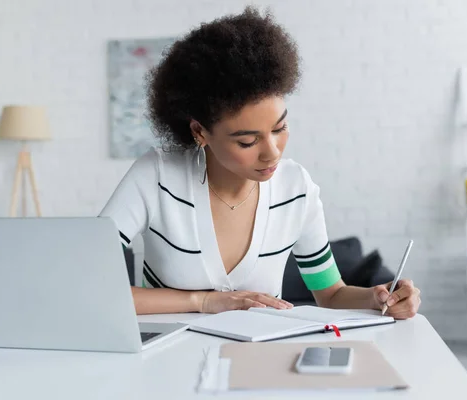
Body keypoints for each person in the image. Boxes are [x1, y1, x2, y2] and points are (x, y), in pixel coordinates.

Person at [99, 6, 421, 319]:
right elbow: (90, 285)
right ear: (200, 132)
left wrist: (380, 297)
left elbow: (332, 294)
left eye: (280, 128)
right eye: (247, 141)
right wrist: (204, 301)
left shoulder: (296, 190)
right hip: (166, 364)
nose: (272, 152)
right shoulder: (156, 178)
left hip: (261, 362)